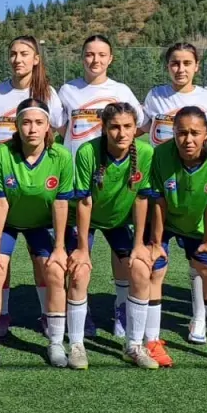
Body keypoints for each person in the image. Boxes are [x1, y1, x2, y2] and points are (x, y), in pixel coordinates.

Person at [0, 36, 66, 335]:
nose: (18, 59)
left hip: (37, 188)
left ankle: (47, 314)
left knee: (42, 260)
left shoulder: (48, 94)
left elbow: (57, 133)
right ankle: (1, 313)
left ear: (36, 59)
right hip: (3, 187)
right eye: (13, 53)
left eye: (25, 53)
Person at [57, 35, 145, 338]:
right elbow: (59, 128)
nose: (95, 60)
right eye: (89, 54)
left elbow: (136, 127)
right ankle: (81, 312)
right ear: (82, 57)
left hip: (113, 186)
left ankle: (121, 308)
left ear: (111, 58)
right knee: (78, 256)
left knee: (123, 255)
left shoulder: (120, 90)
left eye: (101, 54)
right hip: (78, 182)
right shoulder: (68, 90)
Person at [0, 98, 75, 368]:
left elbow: (60, 204)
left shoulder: (61, 156)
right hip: (7, 223)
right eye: (26, 122)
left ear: (48, 126)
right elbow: (0, 203)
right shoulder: (1, 154)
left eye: (38, 122)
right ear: (17, 125)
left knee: (55, 271)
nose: (32, 129)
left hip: (40, 224)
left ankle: (55, 342)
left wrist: (59, 248)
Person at [146, 107, 207, 368]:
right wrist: (156, 242)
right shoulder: (161, 154)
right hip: (165, 221)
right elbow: (158, 201)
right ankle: (151, 341)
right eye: (181, 133)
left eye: (194, 133)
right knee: (155, 269)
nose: (188, 139)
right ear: (173, 133)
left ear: (206, 134)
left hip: (198, 225)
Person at [142, 41, 207, 344]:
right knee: (155, 255)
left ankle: (198, 318)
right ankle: (149, 325)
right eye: (175, 63)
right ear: (167, 66)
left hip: (193, 189)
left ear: (196, 66)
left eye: (187, 63)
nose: (180, 69)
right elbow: (140, 129)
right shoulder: (155, 96)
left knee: (198, 257)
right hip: (161, 187)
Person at [69, 103, 151, 369]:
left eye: (128, 126)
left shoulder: (145, 153)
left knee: (140, 270)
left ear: (136, 128)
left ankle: (133, 346)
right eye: (114, 127)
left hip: (119, 222)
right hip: (87, 218)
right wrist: (83, 249)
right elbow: (84, 202)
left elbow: (141, 199)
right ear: (104, 128)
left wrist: (139, 244)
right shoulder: (87, 151)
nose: (121, 133)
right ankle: (77, 345)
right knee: (79, 271)